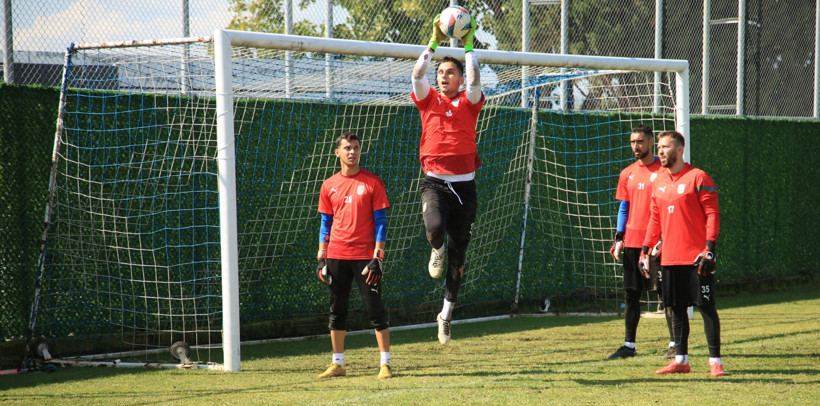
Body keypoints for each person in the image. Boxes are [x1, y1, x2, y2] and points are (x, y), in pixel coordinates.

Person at [410, 14, 482, 345]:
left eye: (449, 72)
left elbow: (476, 75)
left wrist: (468, 45)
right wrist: (434, 40)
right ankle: (434, 248)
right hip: (435, 182)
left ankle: (446, 315)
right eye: (440, 72)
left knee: (459, 259)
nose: (443, 76)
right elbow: (416, 74)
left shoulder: (469, 101)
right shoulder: (428, 101)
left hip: (465, 186)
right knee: (435, 230)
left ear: (460, 78)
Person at [641, 130, 724, 377]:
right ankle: (681, 360)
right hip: (669, 258)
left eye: (665, 147)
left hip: (696, 258)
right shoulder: (659, 181)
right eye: (658, 147)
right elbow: (654, 219)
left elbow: (712, 214)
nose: (660, 151)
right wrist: (645, 250)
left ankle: (715, 361)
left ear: (679, 149)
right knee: (675, 308)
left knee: (706, 307)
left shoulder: (698, 177)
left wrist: (710, 248)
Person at [315, 132, 392, 379]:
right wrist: (321, 257)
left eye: (356, 147)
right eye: (347, 148)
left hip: (365, 258)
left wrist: (378, 257)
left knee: (375, 310)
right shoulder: (328, 185)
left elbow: (381, 222)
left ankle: (385, 364)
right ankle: (337, 364)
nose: (352, 152)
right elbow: (325, 224)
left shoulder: (373, 183)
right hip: (337, 256)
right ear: (337, 152)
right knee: (337, 310)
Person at [607, 125, 676, 360]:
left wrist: (667, 237)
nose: (636, 146)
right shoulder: (627, 173)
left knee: (665, 295)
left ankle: (675, 344)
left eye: (640, 142)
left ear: (650, 143)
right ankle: (629, 346)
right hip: (633, 242)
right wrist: (619, 238)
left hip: (657, 244)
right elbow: (624, 207)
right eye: (632, 142)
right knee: (631, 295)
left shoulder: (664, 170)